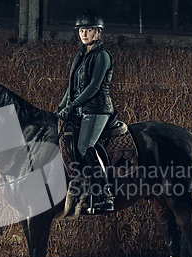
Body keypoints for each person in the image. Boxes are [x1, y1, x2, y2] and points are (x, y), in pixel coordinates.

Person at [55, 9, 115, 211]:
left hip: (97, 109)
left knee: (84, 146)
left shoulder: (102, 56)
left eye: (88, 30)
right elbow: (71, 88)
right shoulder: (80, 56)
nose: (84, 34)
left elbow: (94, 87)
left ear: (98, 33)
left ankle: (104, 193)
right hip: (81, 109)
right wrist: (61, 108)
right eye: (81, 31)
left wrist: (72, 106)